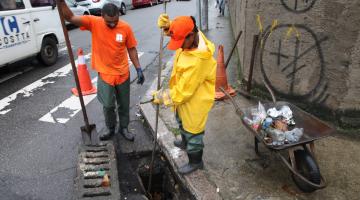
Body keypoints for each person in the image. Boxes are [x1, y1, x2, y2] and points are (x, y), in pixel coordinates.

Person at [57, 1, 145, 141]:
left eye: (115, 21)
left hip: (122, 73)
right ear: (102, 16)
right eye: (109, 22)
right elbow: (71, 18)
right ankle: (111, 128)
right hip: (105, 74)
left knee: (123, 104)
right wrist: (61, 2)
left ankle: (124, 128)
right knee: (108, 105)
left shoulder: (125, 28)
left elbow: (131, 49)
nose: (112, 24)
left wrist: (139, 69)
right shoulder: (94, 22)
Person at [154, 14, 216, 174]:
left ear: (190, 36)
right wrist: (168, 27)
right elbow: (179, 31)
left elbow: (183, 92)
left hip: (195, 102)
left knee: (193, 132)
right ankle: (183, 141)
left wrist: (162, 96)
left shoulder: (199, 61)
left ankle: (196, 161)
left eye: (181, 42)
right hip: (183, 100)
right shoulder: (193, 35)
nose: (179, 46)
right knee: (180, 120)